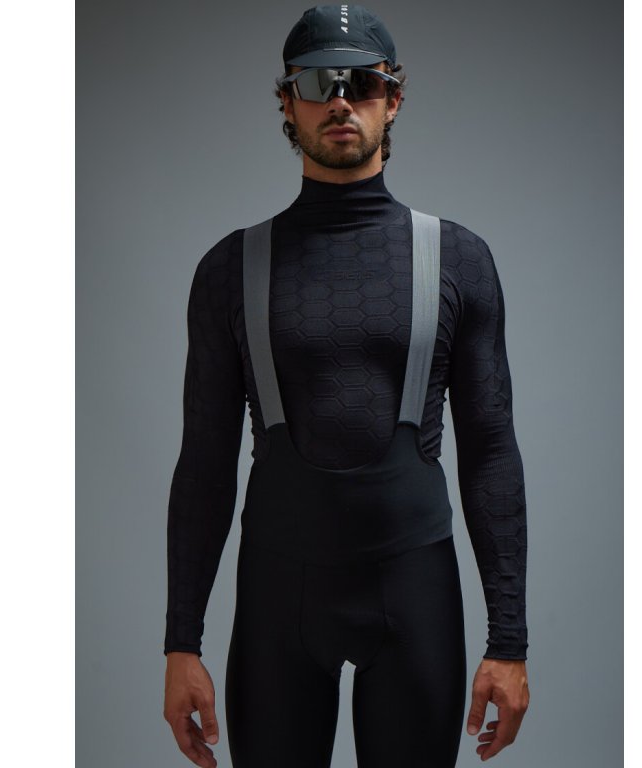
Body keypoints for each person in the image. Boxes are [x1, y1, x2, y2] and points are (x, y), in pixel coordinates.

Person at [162, 5, 530, 767]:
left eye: (361, 83)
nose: (339, 101)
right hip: (276, 601)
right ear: (287, 102)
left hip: (415, 594)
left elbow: (491, 449)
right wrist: (180, 644)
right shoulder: (229, 269)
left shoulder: (458, 260)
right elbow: (203, 462)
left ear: (392, 100)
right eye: (316, 83)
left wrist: (509, 643)